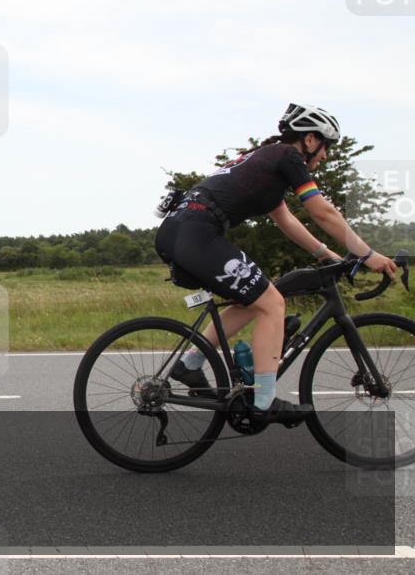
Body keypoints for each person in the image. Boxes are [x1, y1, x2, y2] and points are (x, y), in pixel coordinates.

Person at [154, 103, 397, 425]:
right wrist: (368, 254)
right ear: (310, 140)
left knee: (254, 299)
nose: (325, 156)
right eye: (326, 147)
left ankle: (191, 363)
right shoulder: (288, 157)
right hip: (197, 233)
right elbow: (322, 212)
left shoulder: (267, 159)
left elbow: (285, 219)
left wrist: (327, 255)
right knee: (273, 303)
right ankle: (264, 402)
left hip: (179, 231)